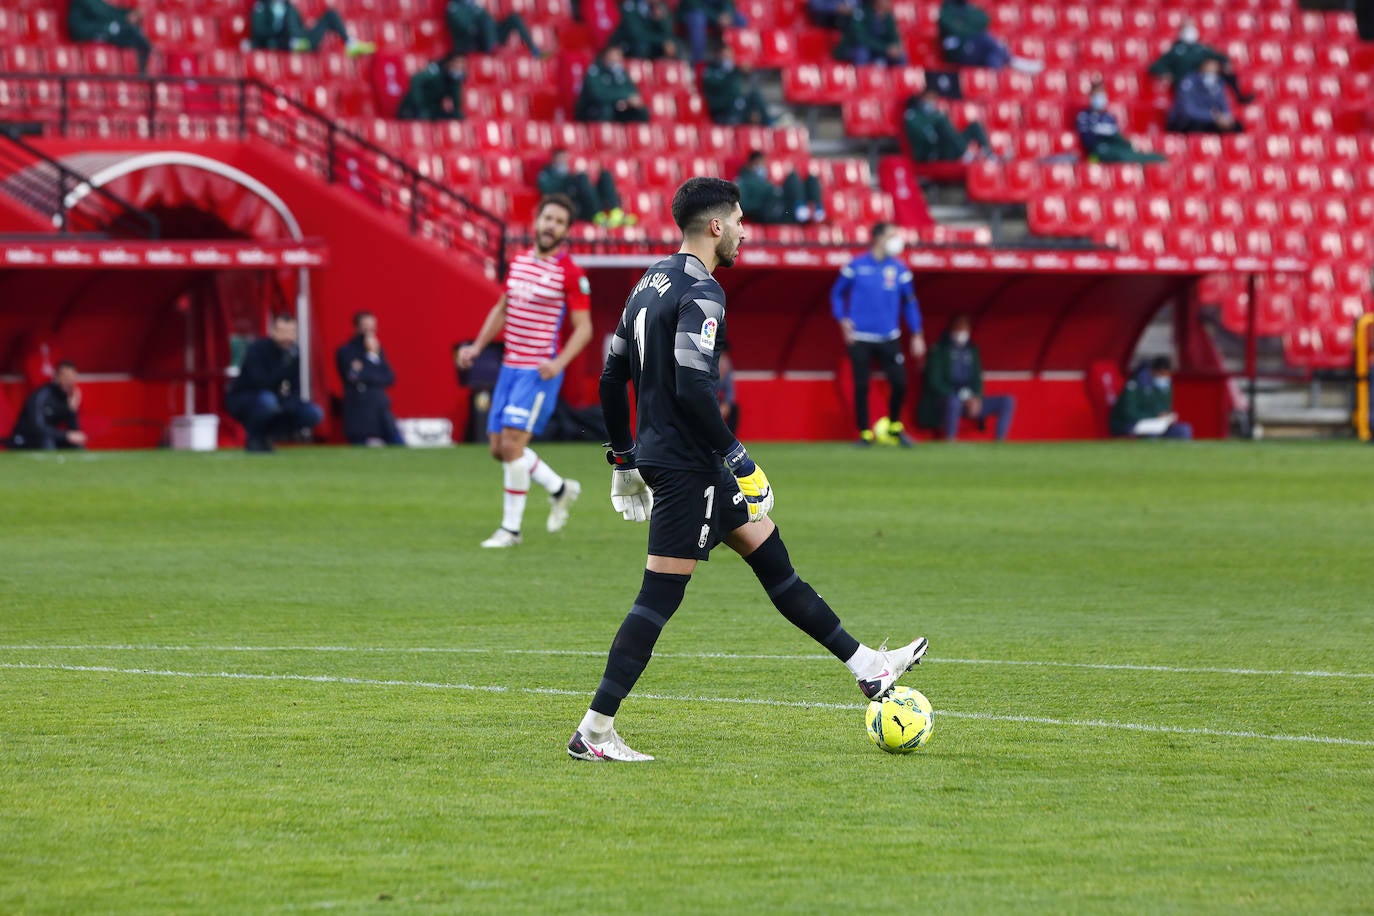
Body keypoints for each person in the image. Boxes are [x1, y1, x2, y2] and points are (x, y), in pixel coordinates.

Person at [566, 176, 928, 762]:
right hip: (688, 466)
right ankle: (595, 731)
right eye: (738, 220)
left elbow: (612, 377)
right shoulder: (703, 290)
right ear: (716, 226)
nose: (743, 231)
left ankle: (868, 666)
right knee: (658, 597)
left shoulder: (647, 283)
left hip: (674, 458)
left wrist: (624, 459)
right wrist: (740, 459)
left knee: (772, 560)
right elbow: (693, 386)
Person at [455, 195, 592, 548]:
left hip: (538, 372)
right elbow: (502, 309)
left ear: (565, 230)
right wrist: (477, 347)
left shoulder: (570, 273)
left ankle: (510, 530)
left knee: (513, 446)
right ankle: (560, 489)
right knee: (498, 448)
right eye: (548, 218)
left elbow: (584, 329)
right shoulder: (518, 262)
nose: (551, 226)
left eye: (559, 222)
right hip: (509, 368)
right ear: (537, 220)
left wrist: (559, 363)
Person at [831, 223, 924, 447]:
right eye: (892, 235)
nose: (897, 240)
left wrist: (917, 333)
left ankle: (894, 427)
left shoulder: (899, 269)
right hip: (860, 336)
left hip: (889, 336)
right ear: (879, 238)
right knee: (861, 386)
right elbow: (836, 293)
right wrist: (842, 320)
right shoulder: (856, 265)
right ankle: (864, 433)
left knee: (899, 383)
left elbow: (910, 303)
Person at [226, 314, 324, 453]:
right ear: (273, 331)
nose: (287, 336)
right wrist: (284, 367)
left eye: (291, 332)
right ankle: (255, 437)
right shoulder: (257, 349)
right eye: (282, 331)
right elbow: (261, 382)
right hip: (247, 398)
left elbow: (295, 387)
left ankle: (271, 436)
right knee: (268, 401)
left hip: (275, 398)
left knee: (313, 413)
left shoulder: (293, 354)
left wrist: (291, 403)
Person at [917, 314, 1015, 441]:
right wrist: (961, 397)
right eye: (959, 328)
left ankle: (1000, 441)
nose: (962, 332)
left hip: (970, 399)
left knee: (1007, 401)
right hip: (946, 400)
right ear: (952, 329)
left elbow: (977, 379)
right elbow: (934, 382)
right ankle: (950, 439)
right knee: (954, 402)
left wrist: (977, 398)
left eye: (965, 329)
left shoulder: (972, 350)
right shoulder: (939, 350)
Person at [1147, 18, 1253, 106]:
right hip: (1185, 83)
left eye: (1192, 27)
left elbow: (1220, 56)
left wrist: (1225, 63)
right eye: (1186, 28)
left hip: (1201, 81)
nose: (1190, 31)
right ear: (1181, 31)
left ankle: (1239, 97)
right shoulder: (1175, 50)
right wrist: (1166, 73)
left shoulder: (1201, 48)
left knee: (1227, 74)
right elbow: (1155, 66)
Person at [335, 311, 403, 446]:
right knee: (360, 447)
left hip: (380, 409)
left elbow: (389, 378)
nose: (369, 331)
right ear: (356, 327)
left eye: (372, 327)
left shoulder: (377, 350)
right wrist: (370, 360)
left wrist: (372, 357)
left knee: (398, 443)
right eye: (365, 326)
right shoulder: (346, 351)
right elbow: (353, 377)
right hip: (358, 410)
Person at [937, 0, 1042, 74]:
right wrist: (969, 27)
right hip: (957, 52)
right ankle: (1011, 62)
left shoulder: (967, 7)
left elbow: (984, 20)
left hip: (972, 46)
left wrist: (965, 26)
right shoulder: (946, 9)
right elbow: (952, 29)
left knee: (990, 51)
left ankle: (999, 76)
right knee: (986, 39)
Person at [535, 148, 632, 227]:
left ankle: (615, 213)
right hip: (573, 206)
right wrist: (566, 179)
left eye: (565, 158)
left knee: (605, 175)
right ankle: (597, 215)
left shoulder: (570, 173)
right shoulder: (547, 174)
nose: (563, 161)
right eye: (561, 158)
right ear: (554, 159)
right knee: (582, 178)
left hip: (582, 199)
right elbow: (547, 189)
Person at [1075, 81, 1167, 164]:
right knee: (1123, 157)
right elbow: (1088, 141)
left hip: (1116, 148)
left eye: (1102, 95)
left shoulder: (1109, 117)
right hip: (1097, 153)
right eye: (1096, 95)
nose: (1099, 98)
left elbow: (1117, 137)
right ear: (1091, 97)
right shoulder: (1084, 116)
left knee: (1151, 156)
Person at [6, 361, 86, 450]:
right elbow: (37, 427)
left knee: (76, 444)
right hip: (27, 439)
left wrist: (72, 411)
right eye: (66, 376)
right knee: (47, 441)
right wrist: (65, 435)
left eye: (72, 377)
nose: (69, 381)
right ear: (57, 377)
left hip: (50, 438)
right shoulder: (42, 395)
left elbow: (74, 431)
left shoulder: (66, 398)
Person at [249, 0, 375, 56]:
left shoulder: (289, 7)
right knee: (289, 35)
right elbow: (258, 31)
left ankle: (350, 43)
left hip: (304, 39)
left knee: (330, 14)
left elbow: (299, 23)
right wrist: (278, 30)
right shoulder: (262, 7)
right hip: (283, 42)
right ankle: (296, 42)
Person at [903, 86, 994, 163]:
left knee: (974, 126)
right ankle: (965, 153)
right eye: (929, 98)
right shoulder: (913, 114)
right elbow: (919, 132)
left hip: (948, 147)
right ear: (922, 98)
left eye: (933, 99)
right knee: (942, 124)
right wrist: (934, 126)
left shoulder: (935, 113)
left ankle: (989, 154)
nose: (931, 101)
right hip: (932, 151)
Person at [1109, 357, 1193, 439]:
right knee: (1152, 434)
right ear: (1153, 371)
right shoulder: (1134, 385)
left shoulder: (1165, 385)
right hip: (1131, 425)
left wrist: (1167, 417)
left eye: (1168, 374)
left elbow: (1166, 408)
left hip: (1158, 425)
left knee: (1183, 430)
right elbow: (1129, 413)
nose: (1165, 377)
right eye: (1162, 373)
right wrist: (1155, 416)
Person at [735, 150, 825, 225]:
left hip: (781, 203)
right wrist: (764, 202)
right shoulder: (743, 182)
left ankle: (815, 209)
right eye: (759, 163)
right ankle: (800, 209)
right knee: (792, 178)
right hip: (771, 211)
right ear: (751, 163)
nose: (762, 167)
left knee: (812, 179)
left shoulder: (763, 179)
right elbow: (743, 204)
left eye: (763, 164)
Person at [67, 0, 152, 73]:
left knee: (131, 32)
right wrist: (126, 17)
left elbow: (109, 11)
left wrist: (128, 13)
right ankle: (142, 72)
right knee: (124, 30)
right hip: (86, 32)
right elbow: (102, 12)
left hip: (100, 28)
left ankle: (142, 70)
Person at [575, 46, 651, 123]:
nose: (616, 58)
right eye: (614, 55)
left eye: (619, 55)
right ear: (606, 55)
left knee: (641, 111)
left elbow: (632, 91)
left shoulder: (620, 72)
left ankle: (634, 130)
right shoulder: (595, 71)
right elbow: (598, 94)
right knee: (606, 110)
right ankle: (604, 130)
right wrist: (623, 97)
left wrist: (629, 100)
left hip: (617, 106)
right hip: (593, 108)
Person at [1168, 58, 1242, 134]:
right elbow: (1188, 111)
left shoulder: (1218, 82)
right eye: (1209, 66)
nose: (1212, 70)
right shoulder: (1189, 82)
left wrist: (1225, 117)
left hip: (1210, 120)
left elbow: (1222, 103)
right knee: (1197, 127)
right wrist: (1213, 117)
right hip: (1185, 121)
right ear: (1201, 66)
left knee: (1236, 127)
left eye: (1215, 67)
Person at [703, 46, 771, 126]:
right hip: (723, 108)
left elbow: (743, 81)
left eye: (730, 56)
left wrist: (742, 70)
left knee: (755, 97)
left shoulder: (734, 70)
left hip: (736, 104)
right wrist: (729, 72)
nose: (728, 59)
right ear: (719, 55)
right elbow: (716, 85)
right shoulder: (711, 70)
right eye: (725, 56)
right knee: (739, 110)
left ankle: (769, 125)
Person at [445, 0, 541, 57]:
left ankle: (533, 48)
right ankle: (492, 47)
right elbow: (467, 28)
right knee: (486, 18)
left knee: (514, 18)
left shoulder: (473, 3)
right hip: (477, 42)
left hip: (491, 35)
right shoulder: (454, 7)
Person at [833, 0, 905, 67]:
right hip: (853, 48)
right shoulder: (861, 12)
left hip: (877, 50)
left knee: (900, 56)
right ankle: (861, 75)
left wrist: (896, 47)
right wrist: (885, 49)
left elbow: (893, 36)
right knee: (862, 52)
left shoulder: (888, 16)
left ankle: (901, 75)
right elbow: (861, 38)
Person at [396, 53, 466, 121]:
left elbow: (456, 102)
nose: (458, 67)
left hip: (434, 108)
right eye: (456, 63)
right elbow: (416, 80)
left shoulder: (453, 80)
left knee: (458, 116)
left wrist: (456, 82)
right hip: (414, 107)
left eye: (461, 65)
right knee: (424, 115)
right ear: (449, 63)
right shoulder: (435, 72)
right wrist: (420, 104)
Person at [610, 0, 684, 60]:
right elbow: (637, 34)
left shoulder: (660, 7)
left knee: (675, 45)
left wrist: (662, 20)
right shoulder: (631, 5)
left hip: (653, 41)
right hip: (630, 44)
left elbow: (669, 33)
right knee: (642, 46)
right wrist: (662, 41)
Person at [678, 0, 748, 63]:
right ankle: (698, 62)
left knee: (740, 19)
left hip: (716, 13)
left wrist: (727, 14)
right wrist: (716, 17)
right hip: (693, 12)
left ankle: (740, 60)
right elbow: (695, 5)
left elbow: (728, 2)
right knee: (698, 19)